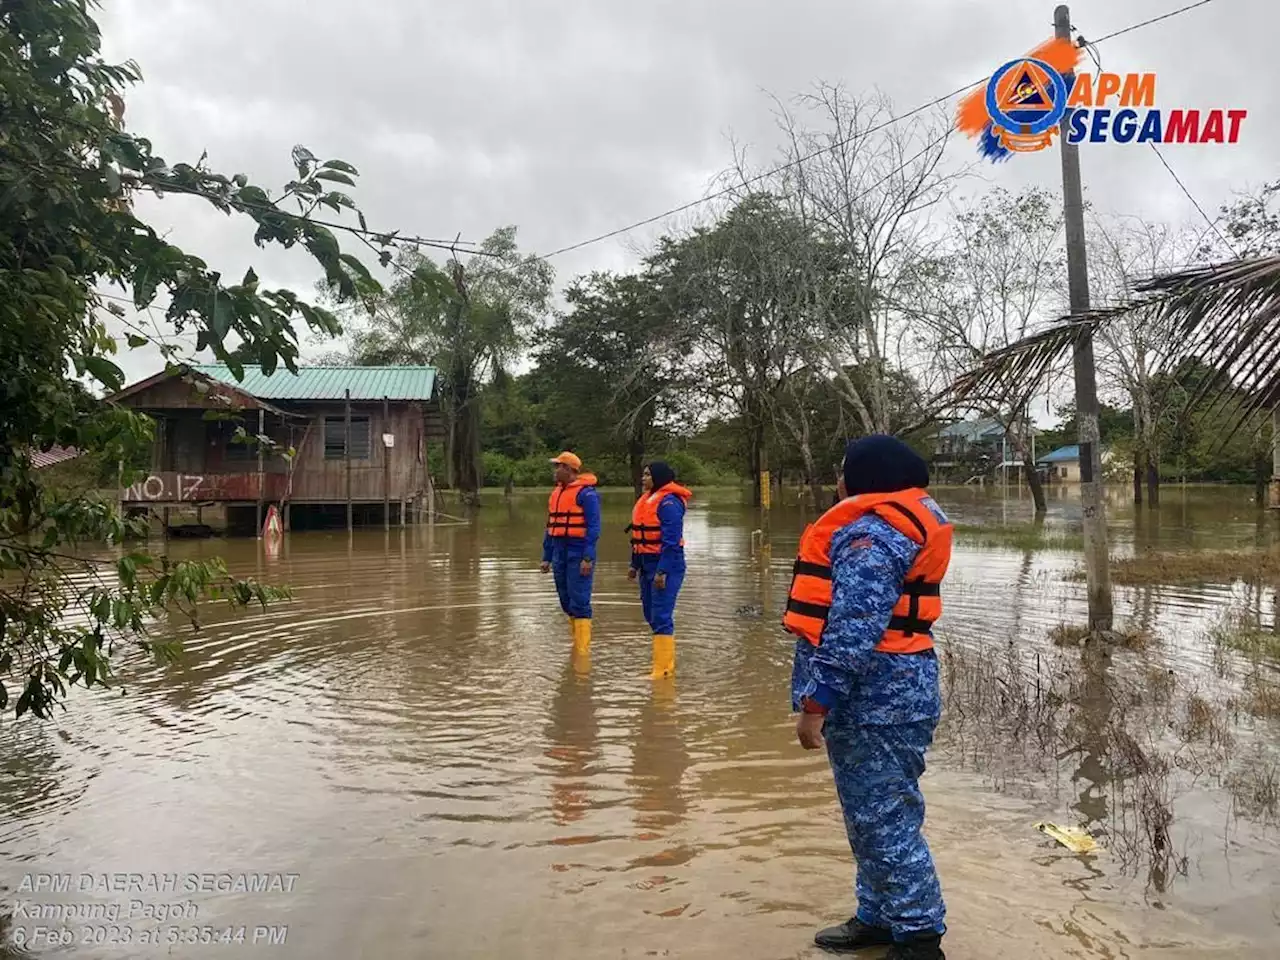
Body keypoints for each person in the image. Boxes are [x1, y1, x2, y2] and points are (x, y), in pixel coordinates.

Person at [786, 435, 952, 960]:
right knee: (873, 816)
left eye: (843, 471)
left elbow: (853, 629)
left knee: (885, 821)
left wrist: (817, 704)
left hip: (878, 700)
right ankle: (878, 917)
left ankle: (919, 939)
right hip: (891, 694)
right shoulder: (881, 526)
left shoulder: (871, 536)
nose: (838, 481)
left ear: (866, 478)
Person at [627, 461, 691, 679]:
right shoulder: (646, 501)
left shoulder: (669, 503)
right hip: (645, 562)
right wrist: (634, 565)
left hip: (666, 564)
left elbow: (671, 542)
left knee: (661, 615)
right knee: (650, 613)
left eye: (647, 475)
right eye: (643, 474)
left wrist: (662, 571)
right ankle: (663, 661)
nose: (643, 478)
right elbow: (638, 536)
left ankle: (663, 669)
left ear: (658, 478)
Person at [541, 452, 601, 655]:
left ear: (568, 469)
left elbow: (593, 528)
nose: (554, 471)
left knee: (580, 600)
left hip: (578, 549)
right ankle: (576, 644)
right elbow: (550, 527)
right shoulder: (556, 493)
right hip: (559, 549)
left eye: (557, 466)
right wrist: (546, 556)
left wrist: (587, 557)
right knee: (565, 599)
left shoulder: (587, 494)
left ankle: (582, 651)